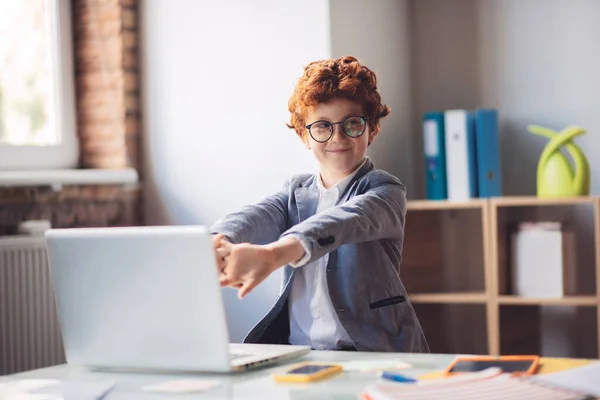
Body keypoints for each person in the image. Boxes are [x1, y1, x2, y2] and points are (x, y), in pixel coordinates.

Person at [210, 55, 429, 352]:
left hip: (375, 352)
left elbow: (345, 221)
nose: (338, 137)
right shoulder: (295, 192)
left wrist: (274, 255)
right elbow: (255, 216)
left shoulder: (386, 190)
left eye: (352, 124)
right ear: (305, 135)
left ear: (372, 129)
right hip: (302, 354)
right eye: (323, 126)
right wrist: (215, 242)